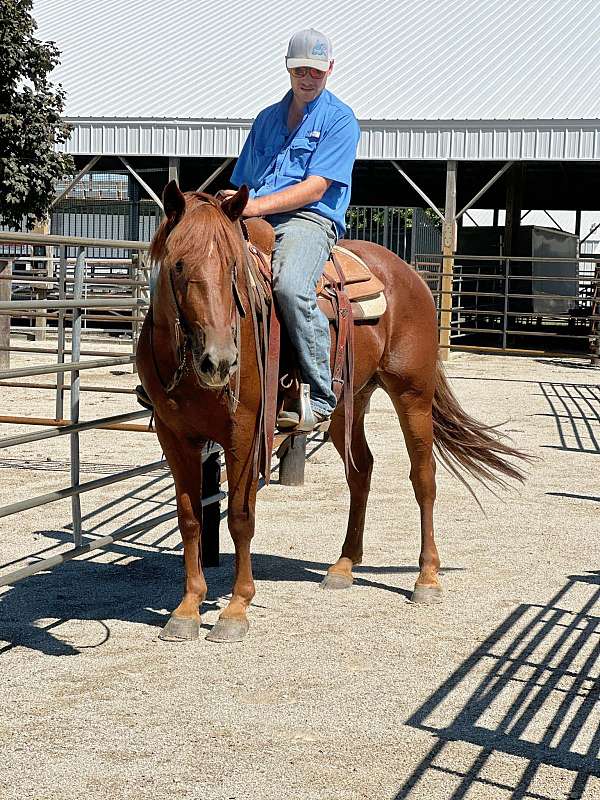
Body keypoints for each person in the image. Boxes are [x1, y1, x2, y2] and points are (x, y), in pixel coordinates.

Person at [227, 27, 361, 431]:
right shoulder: (267, 119)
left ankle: (321, 393)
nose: (307, 78)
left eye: (315, 72)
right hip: (256, 215)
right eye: (300, 70)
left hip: (309, 219)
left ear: (330, 70)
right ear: (288, 69)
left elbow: (316, 187)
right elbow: (244, 179)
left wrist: (256, 206)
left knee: (290, 287)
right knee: (202, 265)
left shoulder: (340, 120)